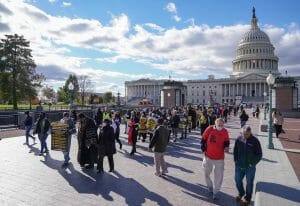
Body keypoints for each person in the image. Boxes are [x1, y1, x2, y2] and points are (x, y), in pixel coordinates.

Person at [201, 118, 230, 200]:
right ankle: (210, 186)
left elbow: (226, 141)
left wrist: (226, 147)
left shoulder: (225, 131)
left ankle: (216, 192)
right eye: (219, 125)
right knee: (206, 173)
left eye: (222, 125)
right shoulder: (209, 129)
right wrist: (203, 149)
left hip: (219, 158)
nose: (220, 127)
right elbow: (203, 139)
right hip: (208, 156)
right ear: (215, 124)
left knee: (219, 176)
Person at [234, 126, 262, 205]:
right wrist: (236, 160)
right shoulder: (239, 139)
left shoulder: (255, 141)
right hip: (239, 165)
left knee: (249, 182)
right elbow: (235, 150)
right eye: (243, 134)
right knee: (237, 180)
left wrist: (252, 163)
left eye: (246, 134)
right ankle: (241, 192)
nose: (244, 135)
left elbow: (259, 154)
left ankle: (248, 198)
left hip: (250, 167)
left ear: (250, 133)